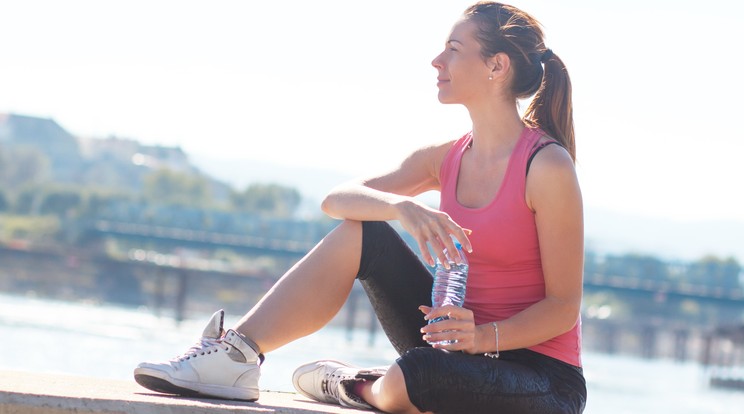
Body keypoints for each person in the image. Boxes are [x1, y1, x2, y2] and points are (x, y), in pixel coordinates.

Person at [134, 1, 587, 413]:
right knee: (361, 230)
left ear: (497, 65)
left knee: (419, 374)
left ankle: (356, 386)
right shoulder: (445, 157)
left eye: (453, 49)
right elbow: (337, 200)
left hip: (539, 379)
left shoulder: (545, 166)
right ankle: (236, 356)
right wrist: (399, 208)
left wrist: (482, 338)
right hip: (454, 347)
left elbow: (563, 307)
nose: (436, 61)